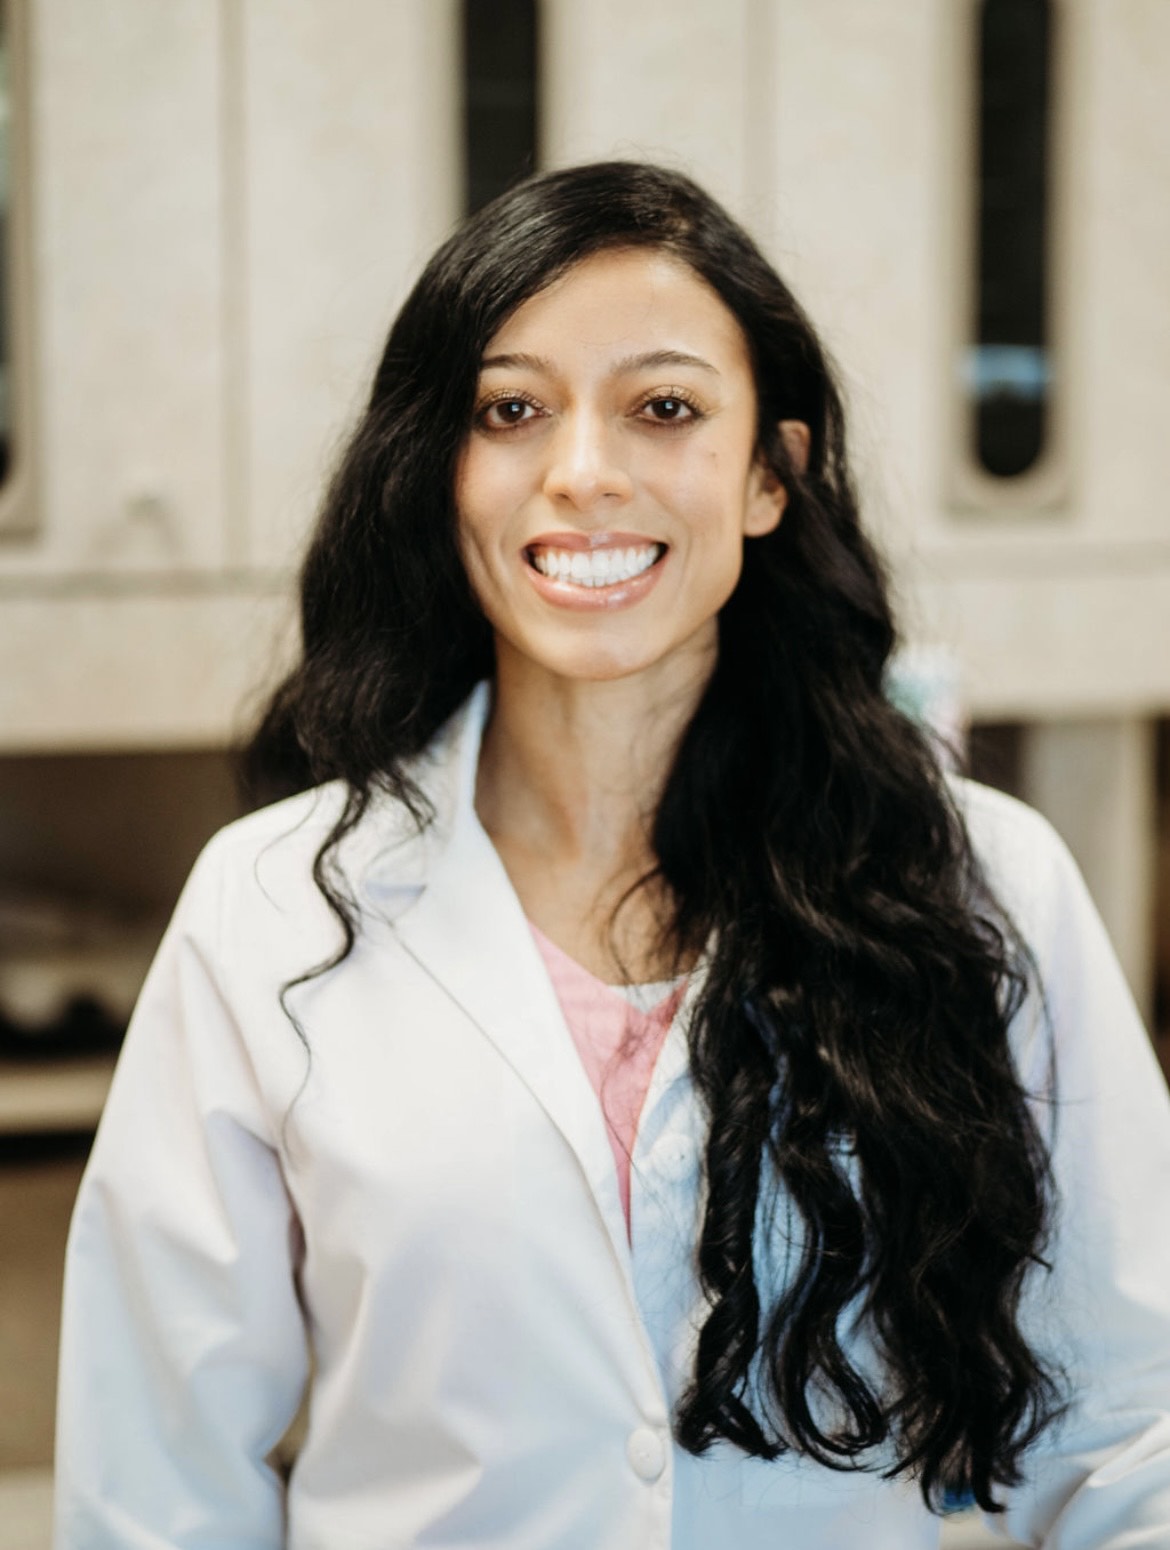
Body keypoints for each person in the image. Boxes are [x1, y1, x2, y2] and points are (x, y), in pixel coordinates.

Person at [54, 161, 1170, 1549]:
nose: (581, 472)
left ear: (772, 473)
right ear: (440, 469)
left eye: (663, 409)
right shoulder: (271, 907)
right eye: (511, 410)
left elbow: (1129, 1435)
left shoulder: (982, 886)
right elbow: (159, 1485)